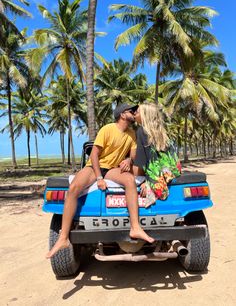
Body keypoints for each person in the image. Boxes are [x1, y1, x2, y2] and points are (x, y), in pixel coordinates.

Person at [46, 103, 154, 259]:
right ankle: (63, 238)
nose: (134, 112)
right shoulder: (107, 129)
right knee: (73, 188)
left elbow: (134, 156)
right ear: (122, 114)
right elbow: (94, 155)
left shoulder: (132, 134)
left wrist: (129, 161)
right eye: (131, 110)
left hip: (112, 169)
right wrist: (99, 178)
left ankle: (135, 227)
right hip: (95, 167)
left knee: (130, 180)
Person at [133, 103, 180, 203]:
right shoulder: (162, 132)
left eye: (137, 112)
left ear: (145, 115)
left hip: (156, 176)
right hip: (170, 172)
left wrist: (145, 181)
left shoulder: (141, 131)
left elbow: (141, 162)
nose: (134, 114)